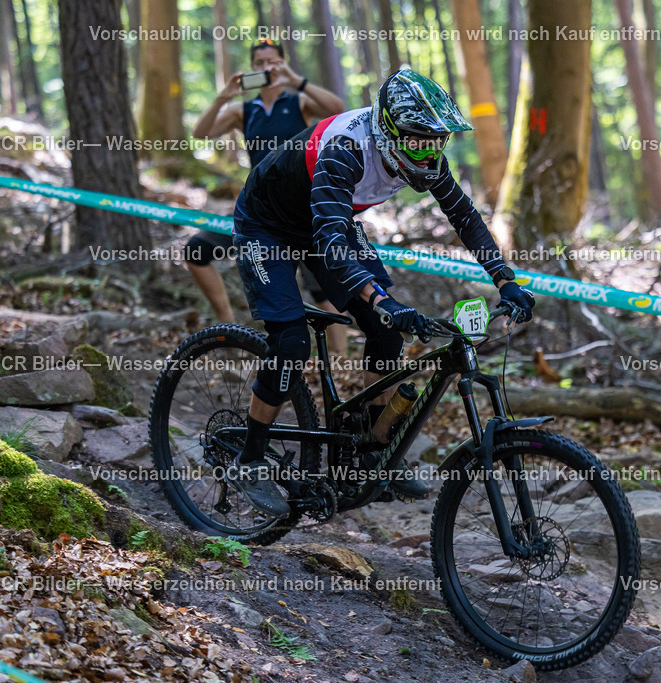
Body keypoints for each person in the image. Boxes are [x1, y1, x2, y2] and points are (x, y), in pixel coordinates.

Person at [226, 69, 536, 518]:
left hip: (328, 220)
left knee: (386, 333)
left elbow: (465, 217)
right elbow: (331, 244)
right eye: (419, 143)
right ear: (389, 130)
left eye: (437, 142)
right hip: (267, 225)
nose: (428, 153)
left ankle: (372, 449)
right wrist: (380, 299)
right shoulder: (346, 150)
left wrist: (506, 280)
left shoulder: (423, 153)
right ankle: (250, 458)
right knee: (290, 341)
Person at [189, 39, 347, 354]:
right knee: (197, 250)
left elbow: (337, 110)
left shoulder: (300, 102)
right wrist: (223, 97)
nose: (266, 68)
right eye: (259, 63)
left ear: (282, 63)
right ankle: (228, 330)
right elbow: (200, 134)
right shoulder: (243, 110)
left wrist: (295, 80)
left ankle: (341, 361)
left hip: (302, 208)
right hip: (257, 211)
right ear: (252, 68)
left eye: (273, 62)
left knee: (324, 289)